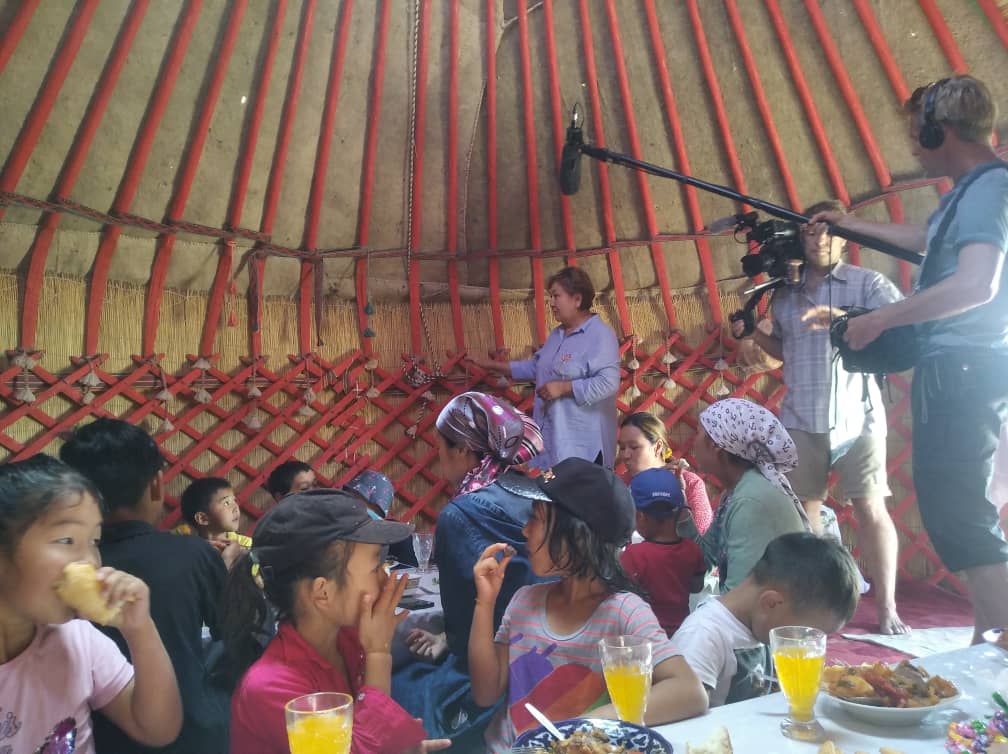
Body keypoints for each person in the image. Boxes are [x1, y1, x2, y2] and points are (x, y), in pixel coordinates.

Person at [810, 75, 1008, 645]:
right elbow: (926, 239)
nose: (914, 147)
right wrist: (847, 224)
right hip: (962, 367)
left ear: (940, 131)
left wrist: (881, 320)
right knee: (962, 507)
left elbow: (977, 285)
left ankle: (1000, 643)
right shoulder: (970, 192)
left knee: (959, 511)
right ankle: (987, 638)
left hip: (965, 365)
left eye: (918, 134)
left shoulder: (990, 188)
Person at [731, 198, 907, 635]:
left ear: (845, 236)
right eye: (811, 230)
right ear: (800, 236)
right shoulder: (785, 296)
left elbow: (902, 325)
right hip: (802, 416)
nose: (820, 238)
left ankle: (887, 607)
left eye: (829, 230)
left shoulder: (868, 283)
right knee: (804, 512)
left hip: (859, 415)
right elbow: (785, 352)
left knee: (871, 507)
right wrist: (752, 332)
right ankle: (814, 607)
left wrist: (844, 318)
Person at [470, 457, 708, 752]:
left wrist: (584, 727)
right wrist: (484, 603)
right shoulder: (523, 601)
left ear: (577, 535)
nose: (524, 530)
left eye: (536, 518)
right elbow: (485, 694)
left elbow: (690, 691)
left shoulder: (624, 613)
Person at [222, 489, 449, 754]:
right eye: (375, 568)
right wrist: (378, 652)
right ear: (323, 593)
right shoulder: (272, 688)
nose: (387, 579)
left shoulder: (347, 640)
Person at [60, 418, 231, 754]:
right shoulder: (193, 553)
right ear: (156, 484)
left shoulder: (65, 573)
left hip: (97, 739)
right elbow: (235, 634)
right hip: (195, 734)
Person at [393, 391, 548, 750]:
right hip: (553, 653)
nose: (438, 458)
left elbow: (466, 627)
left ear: (462, 450)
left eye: (440, 447)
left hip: (499, 672)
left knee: (403, 685)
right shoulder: (535, 490)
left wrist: (445, 643)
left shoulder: (459, 514)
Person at [0, 455, 182, 753]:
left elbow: (157, 729)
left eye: (95, 541)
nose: (90, 562)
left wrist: (140, 629)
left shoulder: (78, 640)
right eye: (66, 541)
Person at [672, 531, 860, 707]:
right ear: (771, 603)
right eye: (804, 635)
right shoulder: (703, 636)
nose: (805, 645)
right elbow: (684, 716)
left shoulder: (763, 623)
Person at [466, 266, 621, 468]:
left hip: (583, 445)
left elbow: (609, 382)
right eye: (550, 297)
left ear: (577, 299)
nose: (551, 303)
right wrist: (494, 366)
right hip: (553, 439)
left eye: (556, 296)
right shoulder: (557, 335)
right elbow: (538, 368)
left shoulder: (600, 335)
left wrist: (564, 388)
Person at [687, 398, 808, 592]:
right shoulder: (736, 491)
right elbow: (700, 562)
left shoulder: (751, 501)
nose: (694, 441)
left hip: (776, 609)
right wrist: (679, 512)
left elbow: (741, 595)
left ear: (716, 444)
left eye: (698, 432)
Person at [622, 468, 707, 636]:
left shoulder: (634, 555)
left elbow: (623, 596)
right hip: (682, 634)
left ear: (640, 516)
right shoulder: (692, 550)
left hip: (644, 635)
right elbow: (696, 587)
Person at [618, 412, 714, 534]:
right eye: (622, 448)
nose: (625, 455)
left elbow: (701, 534)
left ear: (658, 447)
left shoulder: (689, 483)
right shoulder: (619, 485)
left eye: (634, 447)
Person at [344, 469, 417, 566]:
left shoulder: (398, 539)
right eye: (349, 497)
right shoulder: (336, 533)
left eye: (357, 498)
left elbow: (412, 568)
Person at [179, 477, 251, 559]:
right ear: (202, 518)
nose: (235, 507)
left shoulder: (248, 546)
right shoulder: (189, 554)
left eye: (234, 500)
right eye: (226, 503)